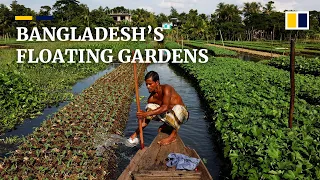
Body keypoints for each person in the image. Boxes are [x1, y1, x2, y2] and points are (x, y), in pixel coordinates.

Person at [128, 71, 189, 146]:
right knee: (149, 106)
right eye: (146, 84)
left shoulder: (167, 88)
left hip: (182, 113)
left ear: (157, 82)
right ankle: (167, 125)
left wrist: (145, 114)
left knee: (177, 108)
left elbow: (165, 107)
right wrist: (135, 133)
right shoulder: (151, 98)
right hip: (169, 114)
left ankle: (173, 135)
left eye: (150, 84)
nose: (148, 86)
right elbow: (146, 120)